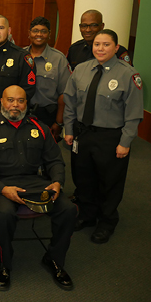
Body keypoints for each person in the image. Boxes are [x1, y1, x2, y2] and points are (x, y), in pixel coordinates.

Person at [0, 85, 77, 291]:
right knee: (4, 214)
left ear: (26, 103)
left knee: (68, 209)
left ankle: (54, 259)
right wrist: (3, 189)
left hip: (34, 181)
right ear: (2, 102)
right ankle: (5, 264)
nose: (15, 105)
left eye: (20, 101)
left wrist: (57, 181)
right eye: (10, 100)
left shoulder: (39, 127)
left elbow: (55, 161)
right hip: (1, 183)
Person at [64, 29, 143, 244]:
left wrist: (125, 142)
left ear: (116, 48)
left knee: (110, 181)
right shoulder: (81, 70)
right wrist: (69, 129)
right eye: (97, 44)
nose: (100, 48)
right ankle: (88, 215)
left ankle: (107, 220)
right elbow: (70, 103)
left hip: (111, 137)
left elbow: (134, 113)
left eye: (106, 44)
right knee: (83, 176)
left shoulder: (128, 74)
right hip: (83, 133)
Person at [24, 17, 71, 141]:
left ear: (49, 35)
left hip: (47, 117)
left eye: (43, 31)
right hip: (21, 115)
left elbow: (64, 94)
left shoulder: (58, 59)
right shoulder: (20, 55)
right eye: (35, 31)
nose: (39, 34)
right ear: (29, 33)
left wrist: (59, 123)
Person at [67, 10, 132, 69]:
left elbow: (126, 75)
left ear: (102, 26)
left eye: (93, 25)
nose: (88, 30)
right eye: (84, 26)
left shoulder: (117, 51)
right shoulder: (74, 49)